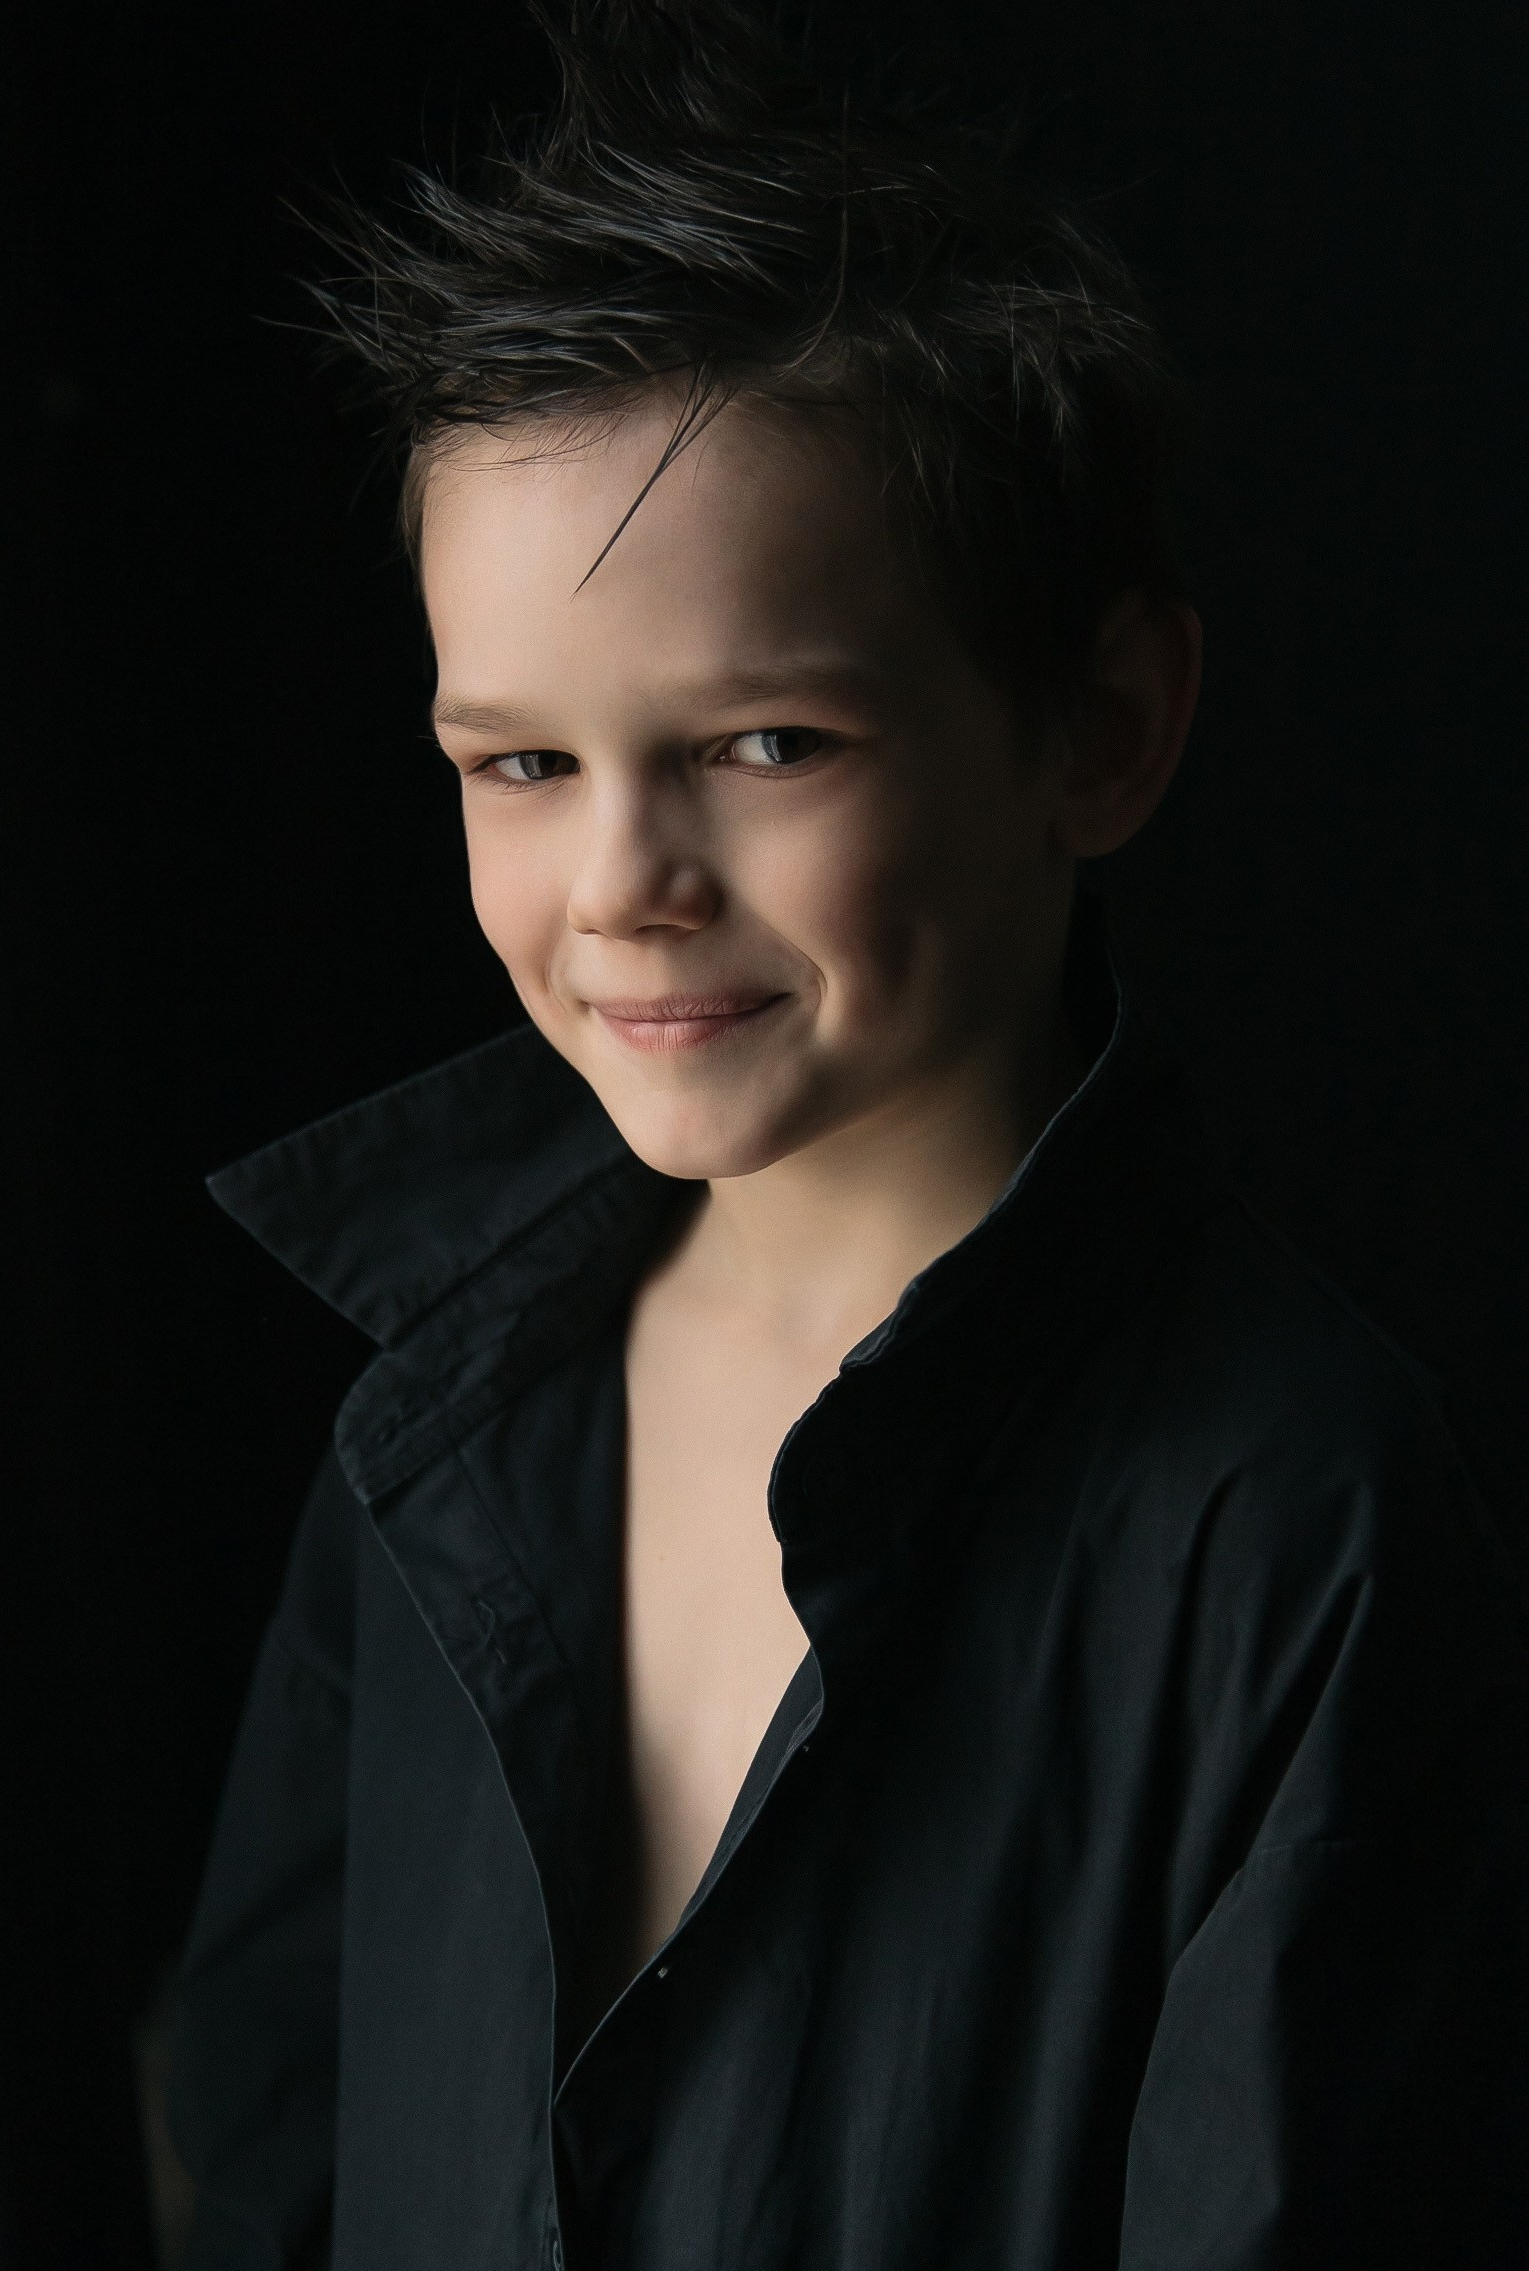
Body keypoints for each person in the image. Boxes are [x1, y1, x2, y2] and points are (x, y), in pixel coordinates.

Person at [167, 5, 1527, 2265]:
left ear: (1101, 728)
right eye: (521, 765)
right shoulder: (425, 1412)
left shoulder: (1296, 1518)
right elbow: (272, 2134)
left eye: (767, 743)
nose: (622, 883)